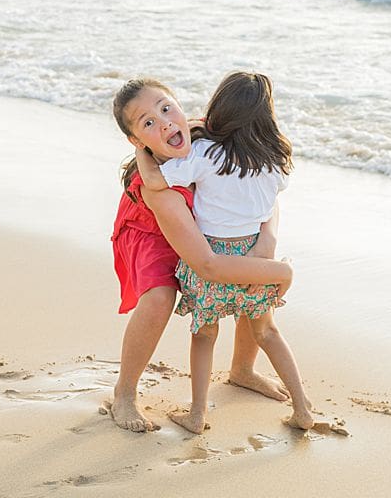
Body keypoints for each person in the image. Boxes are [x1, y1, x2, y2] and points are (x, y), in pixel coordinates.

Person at [110, 77, 294, 433]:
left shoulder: (210, 136)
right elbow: (205, 265)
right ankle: (125, 392)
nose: (164, 122)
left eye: (166, 108)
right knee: (160, 298)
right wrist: (279, 272)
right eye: (148, 122)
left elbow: (262, 188)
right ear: (137, 141)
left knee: (250, 261)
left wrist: (267, 239)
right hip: (152, 232)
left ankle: (242, 369)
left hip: (204, 227)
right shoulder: (156, 190)